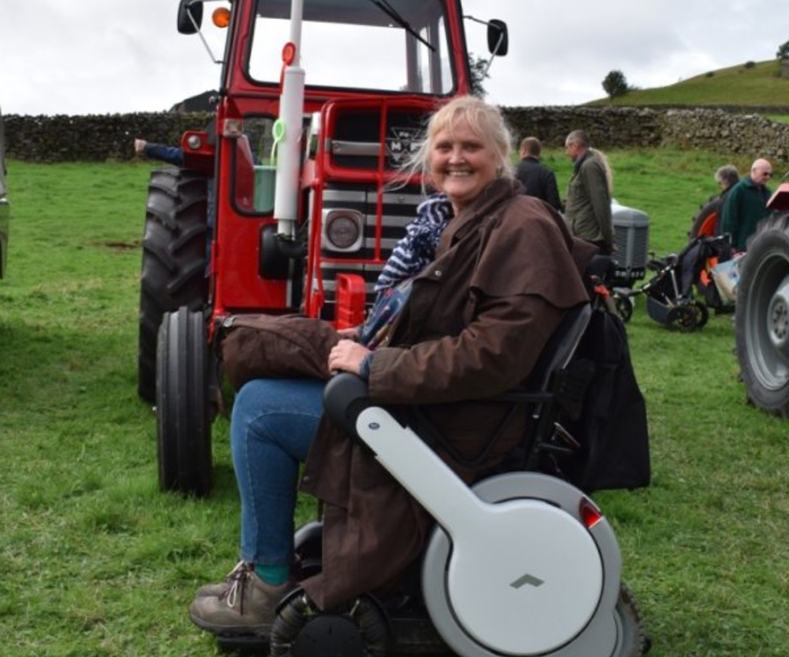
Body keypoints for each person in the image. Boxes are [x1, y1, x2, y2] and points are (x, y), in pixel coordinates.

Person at [188, 96, 594, 637]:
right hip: (437, 408)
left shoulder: (522, 227)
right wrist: (366, 343)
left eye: (471, 146)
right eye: (444, 147)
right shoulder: (476, 220)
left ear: (500, 156)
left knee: (261, 410)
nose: (455, 158)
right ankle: (264, 569)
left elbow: (491, 357)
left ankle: (267, 585)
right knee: (268, 370)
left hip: (455, 427)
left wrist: (375, 366)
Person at [563, 129, 614, 254]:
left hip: (588, 238)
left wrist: (608, 239)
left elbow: (601, 204)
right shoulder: (582, 166)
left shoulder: (589, 166)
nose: (566, 153)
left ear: (574, 146)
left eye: (567, 148)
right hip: (580, 235)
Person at [720, 158, 773, 251]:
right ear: (754, 171)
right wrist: (731, 245)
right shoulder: (739, 190)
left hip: (761, 245)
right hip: (742, 246)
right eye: (765, 174)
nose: (768, 177)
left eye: (770, 175)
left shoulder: (767, 193)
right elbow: (729, 220)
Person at [689, 164, 740, 237]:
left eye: (720, 183)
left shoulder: (727, 199)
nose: (720, 186)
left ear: (725, 181)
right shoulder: (747, 192)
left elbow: (722, 225)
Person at [515, 136, 562, 211]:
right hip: (540, 217)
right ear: (539, 153)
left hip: (516, 216)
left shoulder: (512, 171)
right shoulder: (547, 173)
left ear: (523, 151)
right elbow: (554, 204)